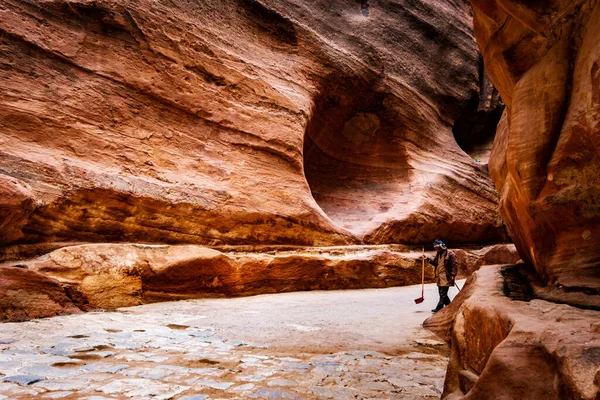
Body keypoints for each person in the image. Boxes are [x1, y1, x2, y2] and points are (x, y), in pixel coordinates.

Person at [421, 239, 457, 313]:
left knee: (443, 293)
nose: (436, 249)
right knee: (442, 293)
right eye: (435, 248)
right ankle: (449, 305)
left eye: (437, 247)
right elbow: (435, 263)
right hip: (439, 276)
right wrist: (427, 259)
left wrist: (453, 274)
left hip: (446, 276)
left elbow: (454, 265)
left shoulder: (450, 254)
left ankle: (439, 307)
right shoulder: (438, 254)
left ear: (441, 246)